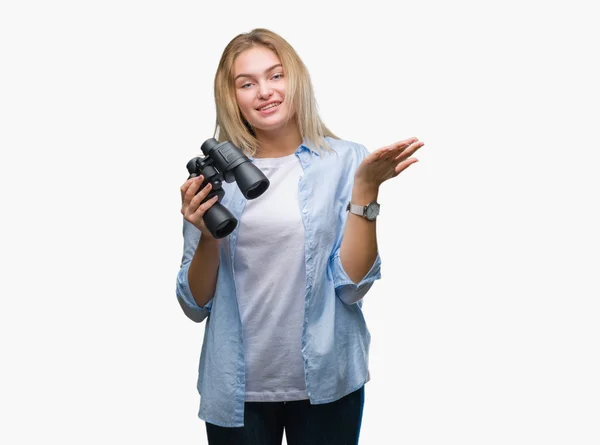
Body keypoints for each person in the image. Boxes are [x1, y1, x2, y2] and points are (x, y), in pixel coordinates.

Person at [176, 28, 424, 445]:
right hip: (237, 387)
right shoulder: (214, 177)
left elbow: (353, 288)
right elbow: (195, 305)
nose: (265, 92)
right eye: (247, 83)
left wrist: (366, 190)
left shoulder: (345, 160)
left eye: (276, 76)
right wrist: (205, 235)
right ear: (231, 96)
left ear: (296, 80)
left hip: (329, 378)